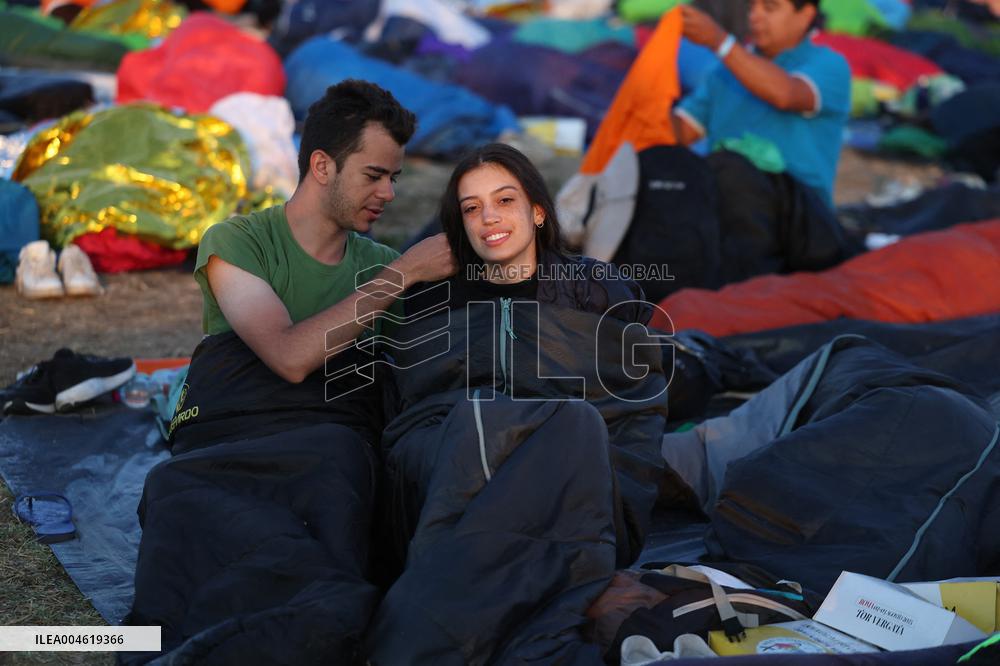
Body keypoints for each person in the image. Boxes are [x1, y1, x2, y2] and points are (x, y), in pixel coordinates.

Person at [126, 80, 457, 665]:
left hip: (327, 447)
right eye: (374, 174)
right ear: (323, 165)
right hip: (227, 439)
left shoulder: (382, 266)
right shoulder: (240, 239)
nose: (387, 192)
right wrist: (402, 276)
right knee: (173, 491)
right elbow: (286, 354)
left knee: (334, 476)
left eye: (394, 178)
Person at [366, 144, 671, 664]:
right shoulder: (430, 299)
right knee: (480, 423)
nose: (489, 217)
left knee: (572, 424)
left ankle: (434, 628)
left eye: (505, 200)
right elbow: (406, 413)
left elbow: (635, 408)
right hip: (456, 465)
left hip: (577, 485)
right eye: (471, 207)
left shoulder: (596, 288)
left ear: (536, 210)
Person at [673, 0, 850, 204]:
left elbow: (786, 94)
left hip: (796, 218)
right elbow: (681, 131)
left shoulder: (828, 64)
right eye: (751, 7)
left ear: (806, 15)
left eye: (769, 7)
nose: (754, 16)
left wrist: (720, 42)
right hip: (727, 210)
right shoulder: (723, 73)